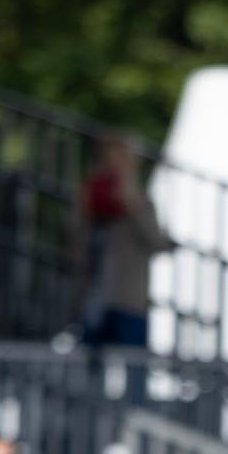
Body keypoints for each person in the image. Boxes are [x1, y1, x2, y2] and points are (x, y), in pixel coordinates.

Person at [80, 135, 170, 348]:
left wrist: (132, 203)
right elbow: (76, 239)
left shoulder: (141, 202)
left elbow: (156, 242)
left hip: (129, 299)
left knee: (132, 363)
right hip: (96, 294)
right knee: (89, 366)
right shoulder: (92, 196)